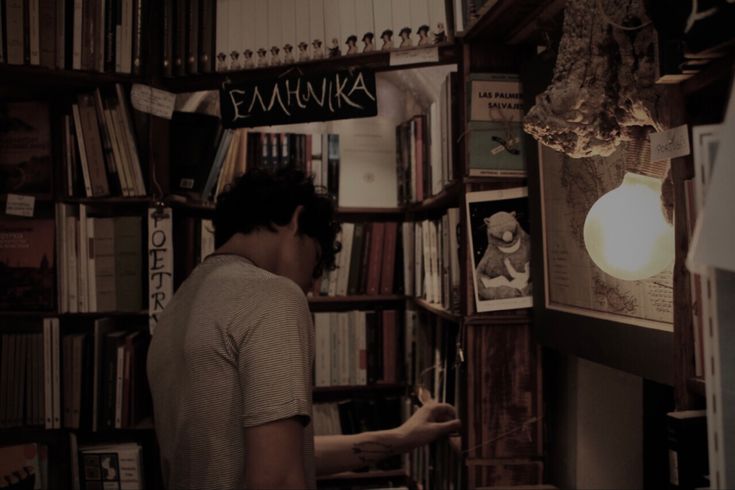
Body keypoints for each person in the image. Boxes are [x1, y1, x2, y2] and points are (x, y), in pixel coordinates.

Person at [147, 168, 461, 489]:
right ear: (297, 219)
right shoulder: (273, 294)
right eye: (317, 261)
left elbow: (276, 454)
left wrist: (402, 437)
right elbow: (280, 479)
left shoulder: (181, 303)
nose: (314, 285)